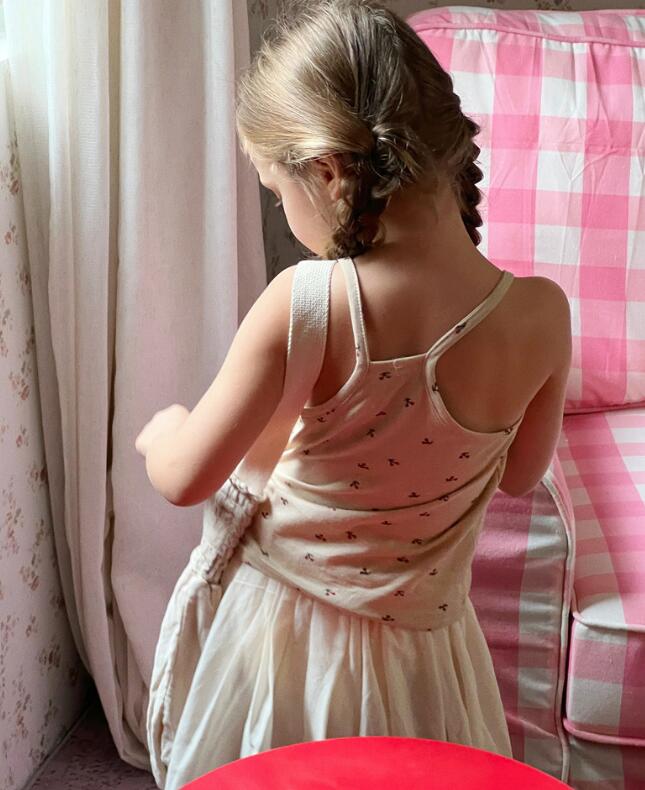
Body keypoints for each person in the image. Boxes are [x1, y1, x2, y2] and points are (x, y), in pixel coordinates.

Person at [138, 1, 572, 787]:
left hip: (286, 646)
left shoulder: (307, 302)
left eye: (277, 190)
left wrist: (163, 429)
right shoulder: (541, 313)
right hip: (428, 653)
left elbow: (184, 478)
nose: (283, 210)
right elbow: (519, 472)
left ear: (329, 172)